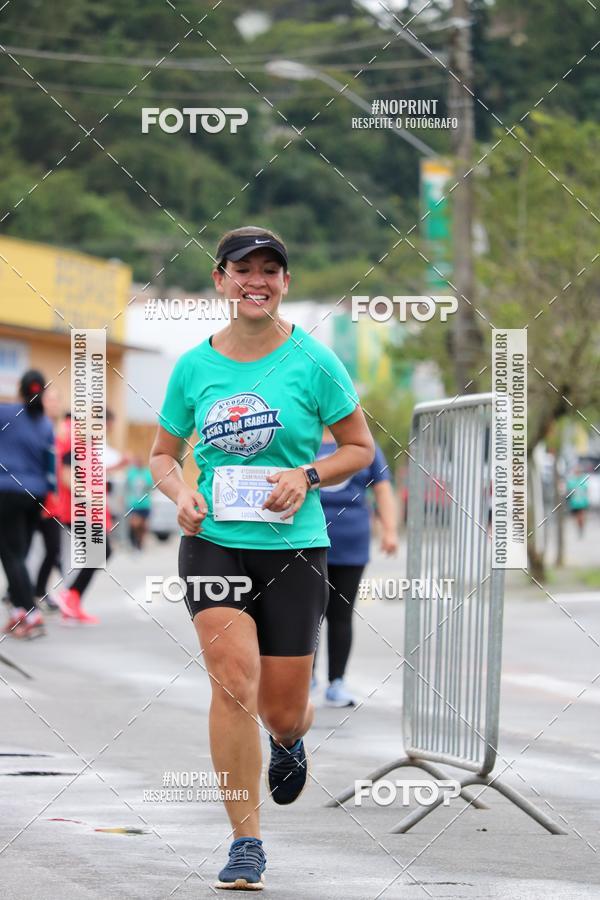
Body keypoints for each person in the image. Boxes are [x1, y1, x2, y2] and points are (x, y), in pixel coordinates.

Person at [150, 225, 374, 891]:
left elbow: (359, 448)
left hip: (294, 548)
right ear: (220, 280)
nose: (257, 281)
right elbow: (163, 455)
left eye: (269, 270)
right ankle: (245, 842)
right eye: (242, 269)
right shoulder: (194, 367)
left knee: (282, 709)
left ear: (285, 283)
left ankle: (288, 739)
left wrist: (307, 475)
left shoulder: (315, 361)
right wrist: (181, 493)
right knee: (231, 681)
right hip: (214, 542)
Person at [315, 426, 398, 707]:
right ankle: (303, 679)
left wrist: (390, 530)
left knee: (341, 614)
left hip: (351, 542)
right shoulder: (304, 437)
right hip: (306, 541)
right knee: (305, 614)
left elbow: (382, 487)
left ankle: (336, 682)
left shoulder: (361, 442)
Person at [0, 370, 55, 638]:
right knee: (18, 555)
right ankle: (18, 613)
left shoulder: (5, 413)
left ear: (20, 391)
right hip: (36, 496)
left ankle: (31, 614)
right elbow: (50, 466)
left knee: (12, 556)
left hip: (7, 492)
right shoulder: (46, 424)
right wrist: (50, 498)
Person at [124, 455, 153, 549]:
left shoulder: (147, 473)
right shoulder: (131, 473)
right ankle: (134, 540)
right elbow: (127, 486)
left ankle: (140, 542)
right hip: (134, 504)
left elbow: (151, 486)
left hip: (145, 504)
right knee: (135, 523)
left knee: (143, 526)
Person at [566, 464, 589, 537]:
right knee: (577, 517)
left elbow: (586, 490)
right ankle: (579, 528)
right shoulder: (572, 481)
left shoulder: (583, 480)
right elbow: (569, 490)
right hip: (575, 503)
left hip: (582, 503)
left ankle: (581, 528)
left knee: (581, 516)